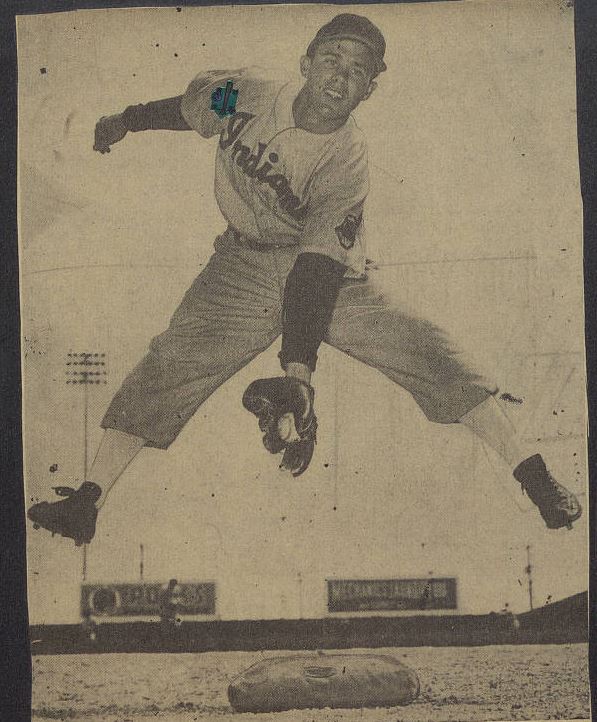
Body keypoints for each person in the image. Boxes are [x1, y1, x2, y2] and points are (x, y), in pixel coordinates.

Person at [27, 13, 581, 547]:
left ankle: (534, 476)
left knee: (429, 351)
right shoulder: (244, 95)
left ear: (369, 90)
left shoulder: (346, 163)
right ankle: (87, 503)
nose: (339, 76)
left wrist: (299, 373)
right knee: (168, 366)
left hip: (325, 275)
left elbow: (313, 274)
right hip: (238, 266)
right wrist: (126, 120)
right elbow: (192, 111)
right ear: (306, 62)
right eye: (331, 60)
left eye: (357, 70)